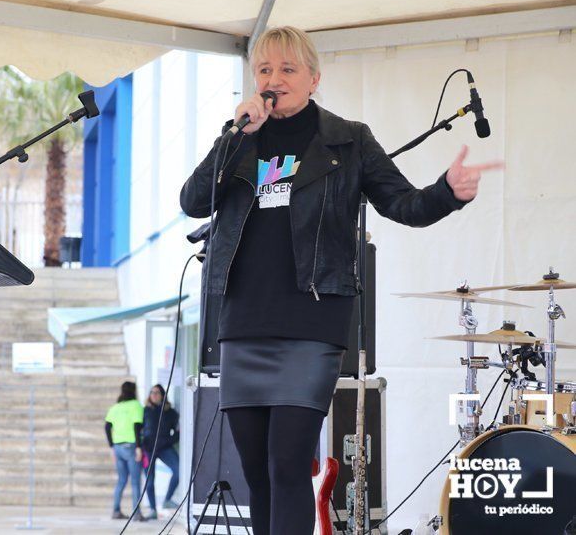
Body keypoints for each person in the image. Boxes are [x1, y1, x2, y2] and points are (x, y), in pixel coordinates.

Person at [179, 26, 501, 534]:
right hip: (242, 324)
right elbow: (192, 202)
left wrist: (447, 192)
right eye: (264, 69)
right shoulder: (238, 141)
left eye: (287, 69)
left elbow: (403, 204)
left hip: (310, 325)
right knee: (255, 475)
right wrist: (231, 134)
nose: (274, 79)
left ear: (313, 78)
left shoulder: (348, 140)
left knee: (287, 465)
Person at [104, 381, 145, 521]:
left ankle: (116, 511)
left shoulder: (115, 407)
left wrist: (111, 447)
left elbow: (107, 427)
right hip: (131, 446)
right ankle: (136, 514)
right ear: (134, 391)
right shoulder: (136, 405)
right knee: (135, 481)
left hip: (117, 447)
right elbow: (137, 427)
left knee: (121, 480)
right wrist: (139, 447)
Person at [141, 384, 180, 519]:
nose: (154, 394)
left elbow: (177, 432)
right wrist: (140, 446)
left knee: (179, 470)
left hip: (165, 448)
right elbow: (138, 430)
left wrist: (167, 441)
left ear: (163, 395)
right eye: (152, 392)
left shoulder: (171, 412)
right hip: (148, 450)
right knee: (150, 481)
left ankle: (167, 500)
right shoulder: (144, 411)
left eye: (157, 392)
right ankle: (153, 510)